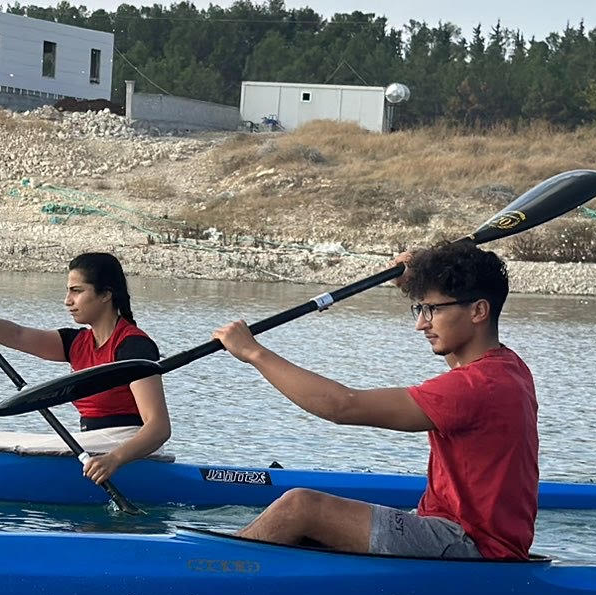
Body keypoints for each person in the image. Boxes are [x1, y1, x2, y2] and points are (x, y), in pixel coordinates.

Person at [211, 239, 537, 560]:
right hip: (471, 537)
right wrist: (423, 273)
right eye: (420, 308)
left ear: (479, 310)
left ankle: (210, 570)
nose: (421, 324)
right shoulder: (508, 368)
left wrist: (253, 352)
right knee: (309, 535)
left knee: (301, 507)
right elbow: (458, 355)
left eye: (432, 310)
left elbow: (342, 405)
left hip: (467, 544)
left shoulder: (475, 386)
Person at [0, 252, 171, 488]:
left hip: (125, 445)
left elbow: (159, 427)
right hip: (93, 445)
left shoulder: (133, 346)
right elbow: (18, 335)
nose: (67, 300)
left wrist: (113, 460)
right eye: (68, 291)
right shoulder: (77, 343)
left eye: (77, 291)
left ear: (106, 294)